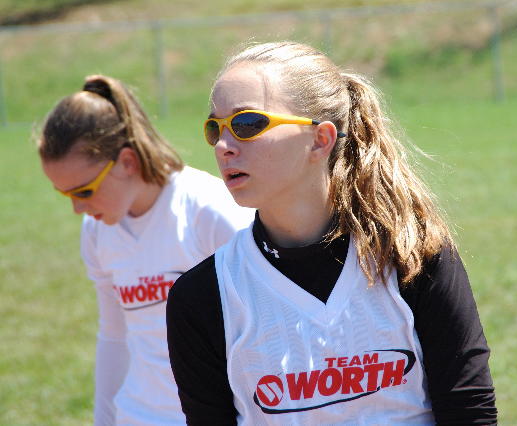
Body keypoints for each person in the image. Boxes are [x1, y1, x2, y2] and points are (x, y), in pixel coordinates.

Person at [166, 41, 497, 425]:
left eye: (247, 124)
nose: (224, 146)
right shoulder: (203, 296)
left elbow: (469, 413)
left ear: (320, 139)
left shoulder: (413, 257)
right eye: (215, 128)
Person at [38, 74, 254, 425]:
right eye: (66, 195)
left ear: (127, 162)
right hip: (137, 415)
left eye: (84, 191)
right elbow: (114, 335)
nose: (77, 208)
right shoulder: (96, 231)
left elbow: (261, 335)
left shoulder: (209, 212)